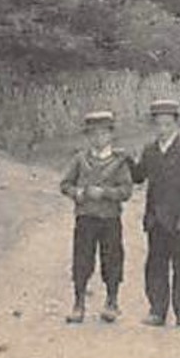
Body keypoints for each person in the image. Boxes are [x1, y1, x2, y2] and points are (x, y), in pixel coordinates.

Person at [129, 98, 180, 328]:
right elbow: (139, 177)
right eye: (158, 125)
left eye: (167, 124)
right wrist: (127, 161)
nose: (162, 129)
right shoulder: (150, 150)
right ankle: (157, 310)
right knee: (155, 265)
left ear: (176, 124)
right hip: (156, 220)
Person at [59, 109, 133, 324]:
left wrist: (106, 194)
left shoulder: (120, 161)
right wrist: (78, 193)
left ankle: (112, 301)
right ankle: (78, 303)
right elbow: (65, 184)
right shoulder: (80, 160)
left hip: (110, 218)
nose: (98, 139)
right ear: (87, 137)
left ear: (111, 135)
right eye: (93, 134)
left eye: (103, 134)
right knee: (82, 260)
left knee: (112, 259)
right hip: (85, 218)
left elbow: (126, 191)